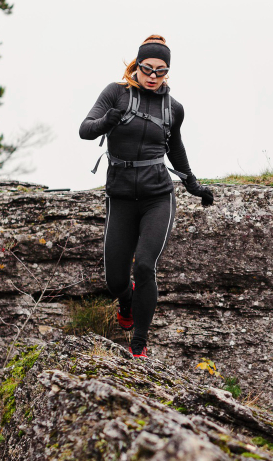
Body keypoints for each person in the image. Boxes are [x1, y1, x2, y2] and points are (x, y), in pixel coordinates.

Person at [79, 34, 214, 359]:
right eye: (148, 69)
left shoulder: (173, 108)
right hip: (121, 197)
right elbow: (85, 129)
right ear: (136, 65)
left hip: (158, 197)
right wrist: (106, 121)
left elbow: (176, 148)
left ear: (168, 72)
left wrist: (193, 185)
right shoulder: (115, 93)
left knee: (144, 267)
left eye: (161, 71)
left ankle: (139, 343)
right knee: (115, 281)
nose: (153, 76)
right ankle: (126, 303)